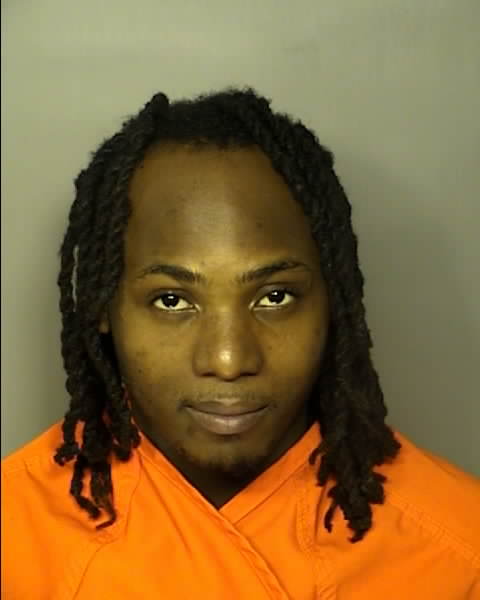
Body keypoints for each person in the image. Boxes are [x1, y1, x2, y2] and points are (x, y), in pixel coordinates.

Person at [2, 88, 479, 600]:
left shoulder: (460, 551)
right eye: (171, 300)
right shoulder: (14, 541)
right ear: (102, 308)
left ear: (333, 302)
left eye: (275, 297)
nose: (228, 360)